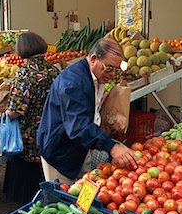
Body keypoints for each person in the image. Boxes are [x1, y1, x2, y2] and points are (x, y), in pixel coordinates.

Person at [37, 37, 137, 184]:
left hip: (77, 147)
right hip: (60, 151)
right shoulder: (73, 83)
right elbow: (78, 126)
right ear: (93, 59)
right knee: (63, 199)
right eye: (109, 68)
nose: (112, 75)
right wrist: (111, 146)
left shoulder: (94, 76)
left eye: (117, 69)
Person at [3, 31, 60, 204]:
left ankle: (25, 201)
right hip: (50, 129)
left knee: (25, 170)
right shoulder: (54, 70)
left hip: (29, 133)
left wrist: (4, 113)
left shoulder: (25, 74)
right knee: (43, 168)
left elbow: (15, 110)